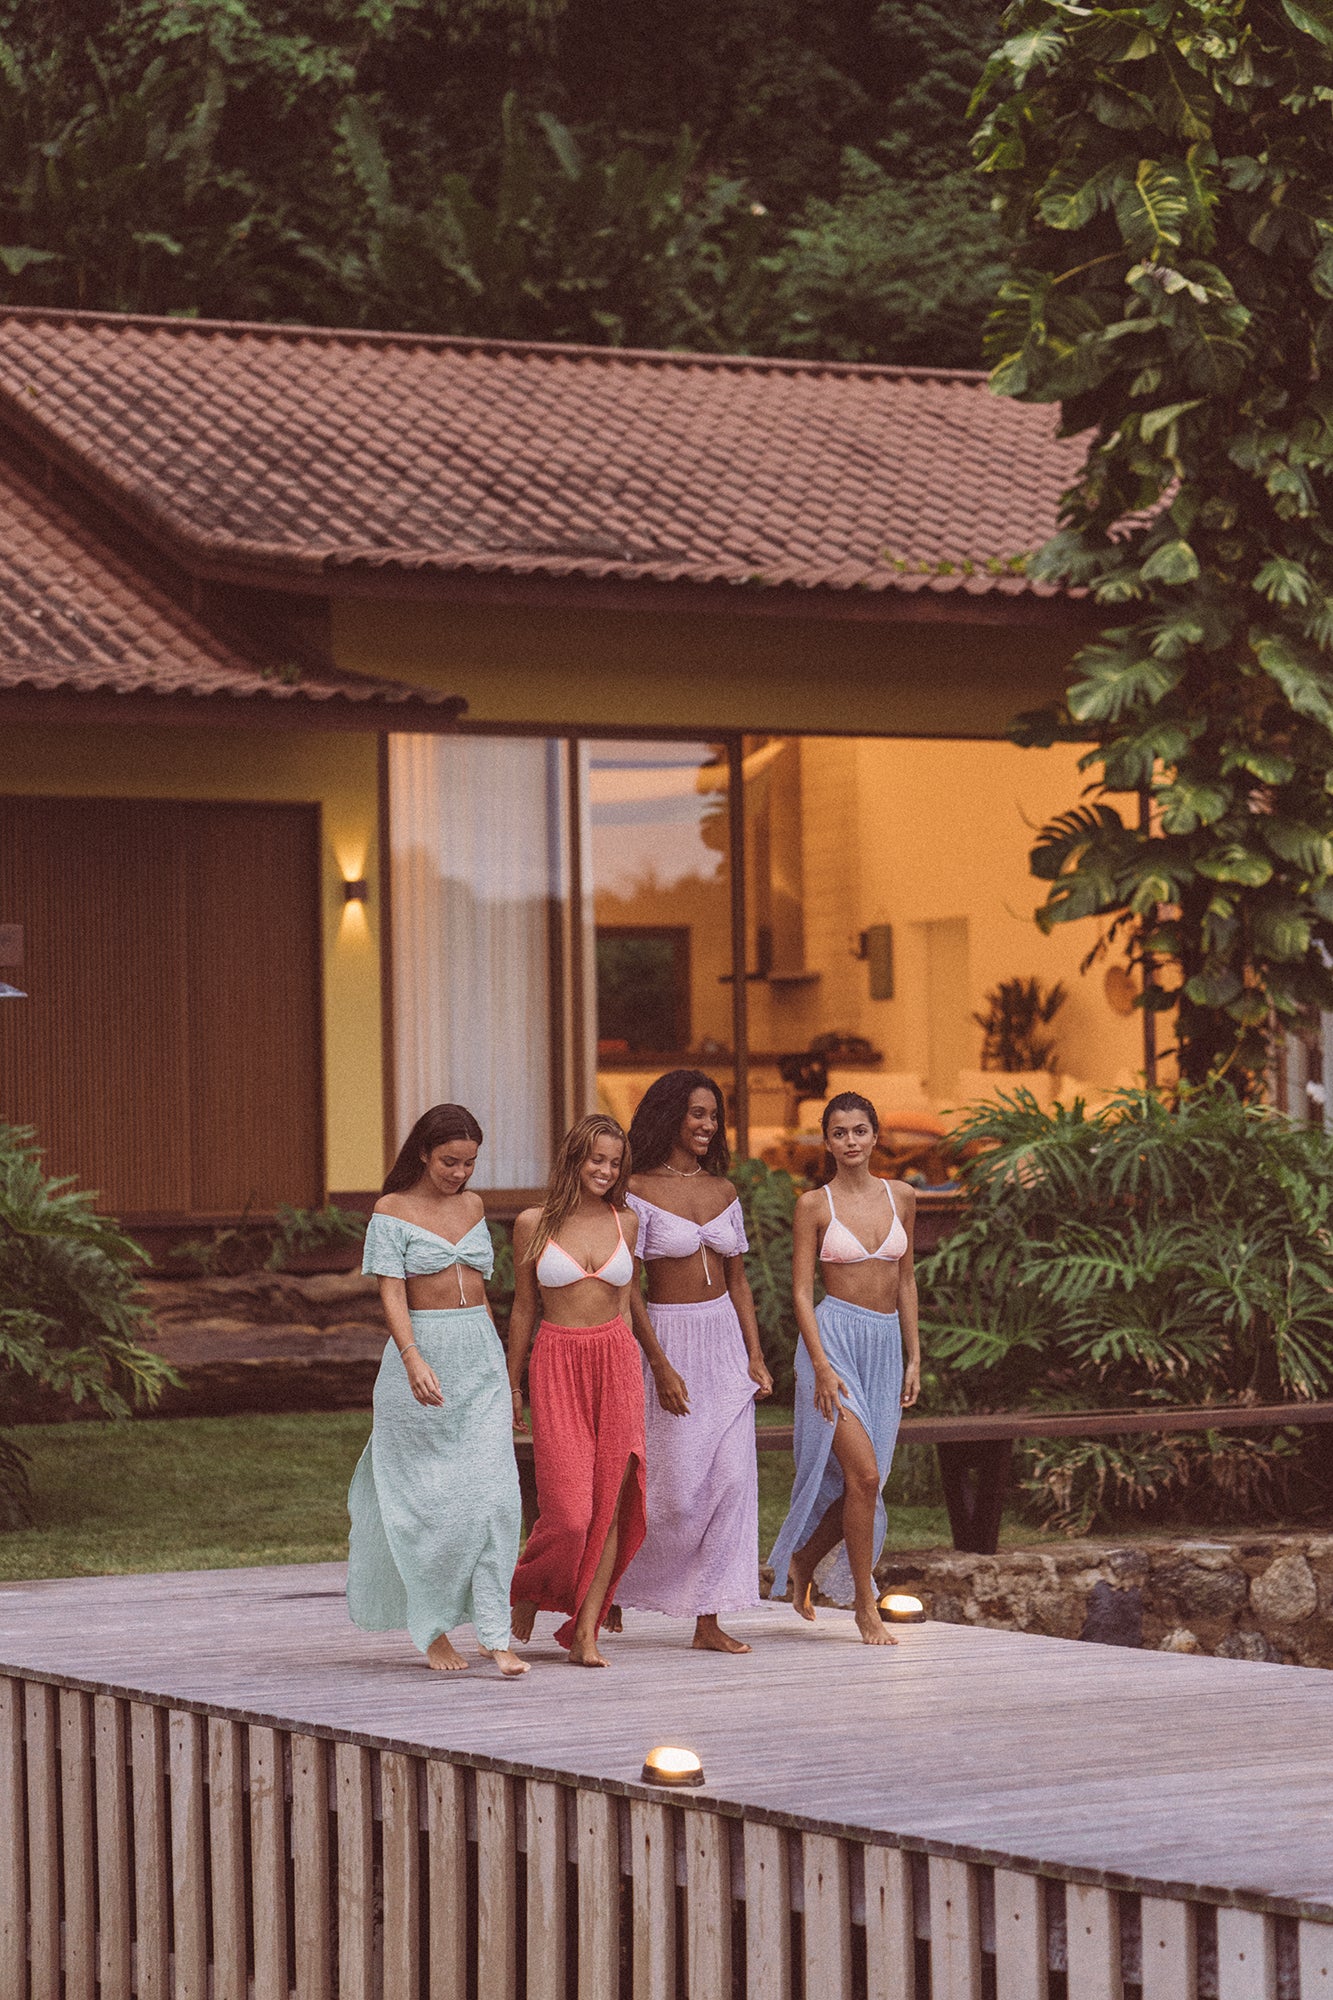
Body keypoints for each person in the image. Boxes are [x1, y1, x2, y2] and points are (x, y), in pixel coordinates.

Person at [347, 1103, 527, 1677]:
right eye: (450, 1161)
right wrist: (412, 1357)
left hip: (480, 1357)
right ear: (423, 1152)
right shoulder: (391, 1211)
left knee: (496, 1499)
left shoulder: (473, 1206)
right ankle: (433, 1630)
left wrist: (504, 1368)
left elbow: (482, 1290)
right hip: (421, 1357)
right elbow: (391, 1293)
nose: (460, 1173)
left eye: (470, 1163)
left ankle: (496, 1635)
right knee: (431, 1507)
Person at [616, 1069, 772, 1653]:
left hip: (725, 1341)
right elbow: (628, 1284)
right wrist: (656, 1362)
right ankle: (615, 1585)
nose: (708, 1126)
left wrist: (755, 1355)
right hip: (669, 1338)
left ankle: (708, 1618)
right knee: (672, 1490)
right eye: (697, 1115)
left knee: (731, 1480)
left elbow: (740, 1280)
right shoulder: (634, 1188)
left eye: (713, 1116)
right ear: (669, 1116)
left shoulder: (723, 1191)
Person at [508, 1114, 670, 1667]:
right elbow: (524, 1307)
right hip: (557, 1363)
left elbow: (630, 1301)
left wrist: (655, 1362)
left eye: (614, 1162)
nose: (605, 1170)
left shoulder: (626, 1221)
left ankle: (586, 1631)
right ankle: (529, 1586)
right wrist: (512, 1384)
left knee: (613, 1502)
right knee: (570, 1511)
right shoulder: (533, 1223)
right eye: (595, 1159)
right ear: (574, 1158)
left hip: (617, 1361)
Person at [769, 1091, 921, 1646]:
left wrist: (914, 1356)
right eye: (839, 1132)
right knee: (865, 1476)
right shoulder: (814, 1204)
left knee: (864, 1484)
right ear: (826, 1140)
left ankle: (804, 1562)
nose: (851, 1141)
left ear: (875, 1136)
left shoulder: (902, 1196)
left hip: (882, 1348)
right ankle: (864, 1605)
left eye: (860, 1131)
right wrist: (820, 1365)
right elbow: (801, 1293)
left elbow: (906, 1281)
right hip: (832, 1344)